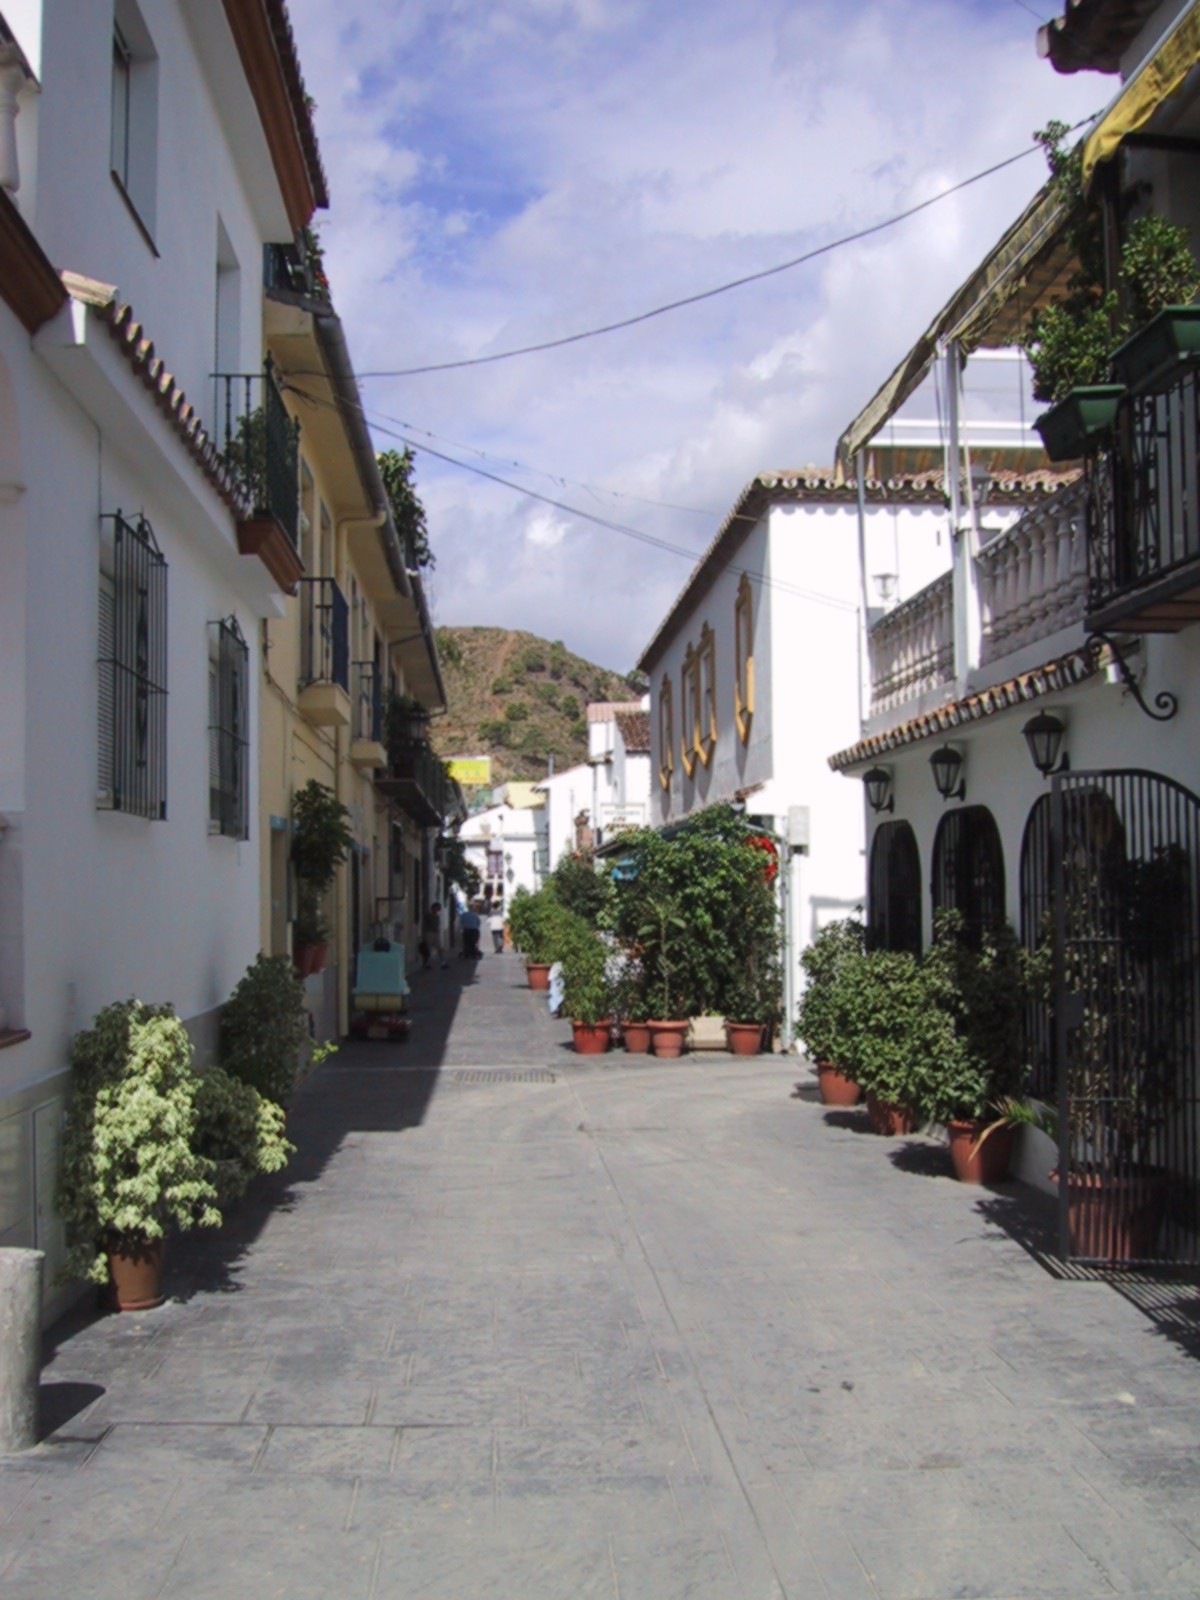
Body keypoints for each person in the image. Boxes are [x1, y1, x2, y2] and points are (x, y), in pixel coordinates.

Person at [422, 902, 446, 969]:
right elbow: (425, 925)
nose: (437, 910)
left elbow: (437, 925)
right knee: (428, 950)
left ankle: (442, 962)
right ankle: (426, 964)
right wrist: (424, 934)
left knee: (440, 949)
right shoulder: (428, 916)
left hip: (435, 933)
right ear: (432, 908)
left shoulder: (437, 916)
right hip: (429, 933)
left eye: (438, 909)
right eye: (436, 908)